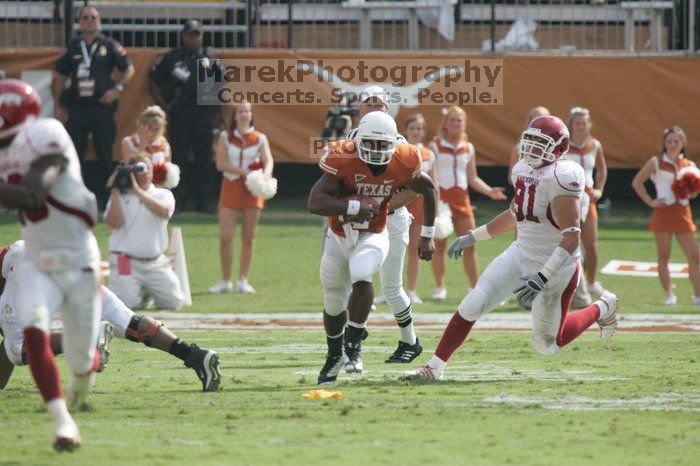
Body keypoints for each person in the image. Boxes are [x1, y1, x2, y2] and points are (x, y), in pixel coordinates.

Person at [407, 115, 619, 381]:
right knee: (473, 302)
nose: (531, 148)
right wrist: (473, 236)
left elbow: (571, 238)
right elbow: (514, 214)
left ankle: (603, 306)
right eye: (529, 141)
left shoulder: (563, 176)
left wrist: (542, 277)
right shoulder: (523, 169)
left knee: (548, 344)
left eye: (540, 143)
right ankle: (434, 367)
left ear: (558, 148)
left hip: (556, 267)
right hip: (520, 254)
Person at [0, 79, 102, 451]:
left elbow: (31, 194)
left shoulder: (45, 135)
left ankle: (86, 364)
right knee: (34, 333)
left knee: (79, 362)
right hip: (37, 259)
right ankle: (63, 426)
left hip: (78, 260)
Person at [308, 111, 437, 385]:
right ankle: (333, 356)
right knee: (333, 301)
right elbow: (315, 202)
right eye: (371, 144)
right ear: (358, 142)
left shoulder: (404, 159)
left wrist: (427, 234)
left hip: (374, 232)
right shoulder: (342, 157)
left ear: (393, 143)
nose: (377, 150)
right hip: (338, 235)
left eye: (383, 144)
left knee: (362, 272)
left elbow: (428, 188)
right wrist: (353, 207)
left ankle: (353, 344)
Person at [0, 240, 221, 392]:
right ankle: (194, 355)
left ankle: (87, 338)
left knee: (18, 349)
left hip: (22, 263)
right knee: (128, 322)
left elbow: (12, 344)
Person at [346, 87, 424, 364]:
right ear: (360, 109)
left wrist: (382, 206)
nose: (374, 108)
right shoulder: (352, 138)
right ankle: (356, 334)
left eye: (379, 104)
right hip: (361, 219)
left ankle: (410, 342)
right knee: (355, 279)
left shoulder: (400, 143)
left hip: (391, 219)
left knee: (391, 287)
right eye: (369, 103)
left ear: (387, 110)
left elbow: (416, 189)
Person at [53, 5, 134, 201]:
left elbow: (128, 69)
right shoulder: (73, 46)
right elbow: (61, 76)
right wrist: (58, 105)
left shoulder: (110, 44)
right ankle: (74, 197)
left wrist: (116, 90)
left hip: (101, 107)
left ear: (99, 20)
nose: (90, 20)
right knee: (74, 153)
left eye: (94, 17)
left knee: (105, 154)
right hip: (78, 106)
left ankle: (108, 199)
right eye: (86, 17)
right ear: (79, 21)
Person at [428, 106, 507, 300]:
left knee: (470, 243)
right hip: (442, 199)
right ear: (445, 123)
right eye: (452, 120)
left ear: (464, 124)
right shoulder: (434, 146)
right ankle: (440, 287)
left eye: (459, 120)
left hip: (462, 199)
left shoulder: (468, 147)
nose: (456, 123)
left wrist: (490, 191)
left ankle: (475, 287)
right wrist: (436, 204)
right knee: (439, 245)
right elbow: (433, 178)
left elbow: (472, 178)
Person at [150, 19, 225, 213]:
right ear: (183, 36)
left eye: (197, 34)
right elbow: (153, 81)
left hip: (203, 112)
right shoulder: (172, 57)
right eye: (190, 34)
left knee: (204, 157)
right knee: (179, 155)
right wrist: (164, 106)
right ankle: (178, 198)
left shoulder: (210, 57)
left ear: (202, 36)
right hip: (180, 110)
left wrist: (221, 116)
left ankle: (204, 200)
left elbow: (221, 88)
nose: (194, 38)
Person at [208, 102, 274, 294]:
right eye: (240, 111)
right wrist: (244, 172)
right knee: (225, 237)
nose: (244, 114)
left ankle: (243, 280)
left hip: (253, 189)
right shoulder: (225, 137)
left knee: (249, 237)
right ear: (234, 116)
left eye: (247, 111)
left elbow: (268, 160)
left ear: (251, 114)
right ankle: (225, 281)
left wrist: (266, 175)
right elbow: (221, 164)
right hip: (231, 187)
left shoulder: (260, 138)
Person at [104, 154, 185, 310]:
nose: (146, 171)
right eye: (141, 168)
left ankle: (146, 292)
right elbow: (114, 223)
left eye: (148, 167)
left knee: (174, 303)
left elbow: (164, 213)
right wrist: (115, 189)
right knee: (126, 305)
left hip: (156, 262)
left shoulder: (163, 194)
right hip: (126, 261)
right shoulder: (120, 196)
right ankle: (140, 293)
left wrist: (137, 192)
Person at [632, 126, 700, 306]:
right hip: (663, 212)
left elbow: (693, 193)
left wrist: (691, 190)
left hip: (683, 213)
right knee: (663, 256)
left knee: (695, 256)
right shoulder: (656, 161)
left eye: (676, 141)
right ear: (664, 143)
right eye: (669, 141)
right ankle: (669, 294)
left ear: (682, 143)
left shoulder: (690, 165)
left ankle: (698, 296)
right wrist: (650, 201)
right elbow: (637, 182)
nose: (672, 144)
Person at [563, 107, 608, 298]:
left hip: (587, 197)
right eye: (577, 123)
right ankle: (571, 284)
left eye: (584, 123)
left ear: (589, 124)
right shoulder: (563, 145)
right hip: (568, 196)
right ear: (571, 124)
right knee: (570, 242)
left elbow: (602, 169)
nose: (581, 127)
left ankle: (590, 282)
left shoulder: (595, 145)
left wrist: (599, 189)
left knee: (591, 244)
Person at [403, 114, 439, 306]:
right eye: (412, 128)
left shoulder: (429, 154)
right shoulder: (399, 149)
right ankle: (388, 289)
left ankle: (411, 291)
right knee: (393, 248)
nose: (416, 132)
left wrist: (437, 208)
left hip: (420, 206)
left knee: (415, 249)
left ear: (424, 132)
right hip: (400, 205)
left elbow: (434, 185)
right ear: (406, 130)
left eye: (419, 128)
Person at [508, 106, 550, 184]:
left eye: (544, 119)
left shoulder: (555, 148)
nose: (541, 123)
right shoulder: (519, 149)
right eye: (537, 119)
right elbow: (511, 178)